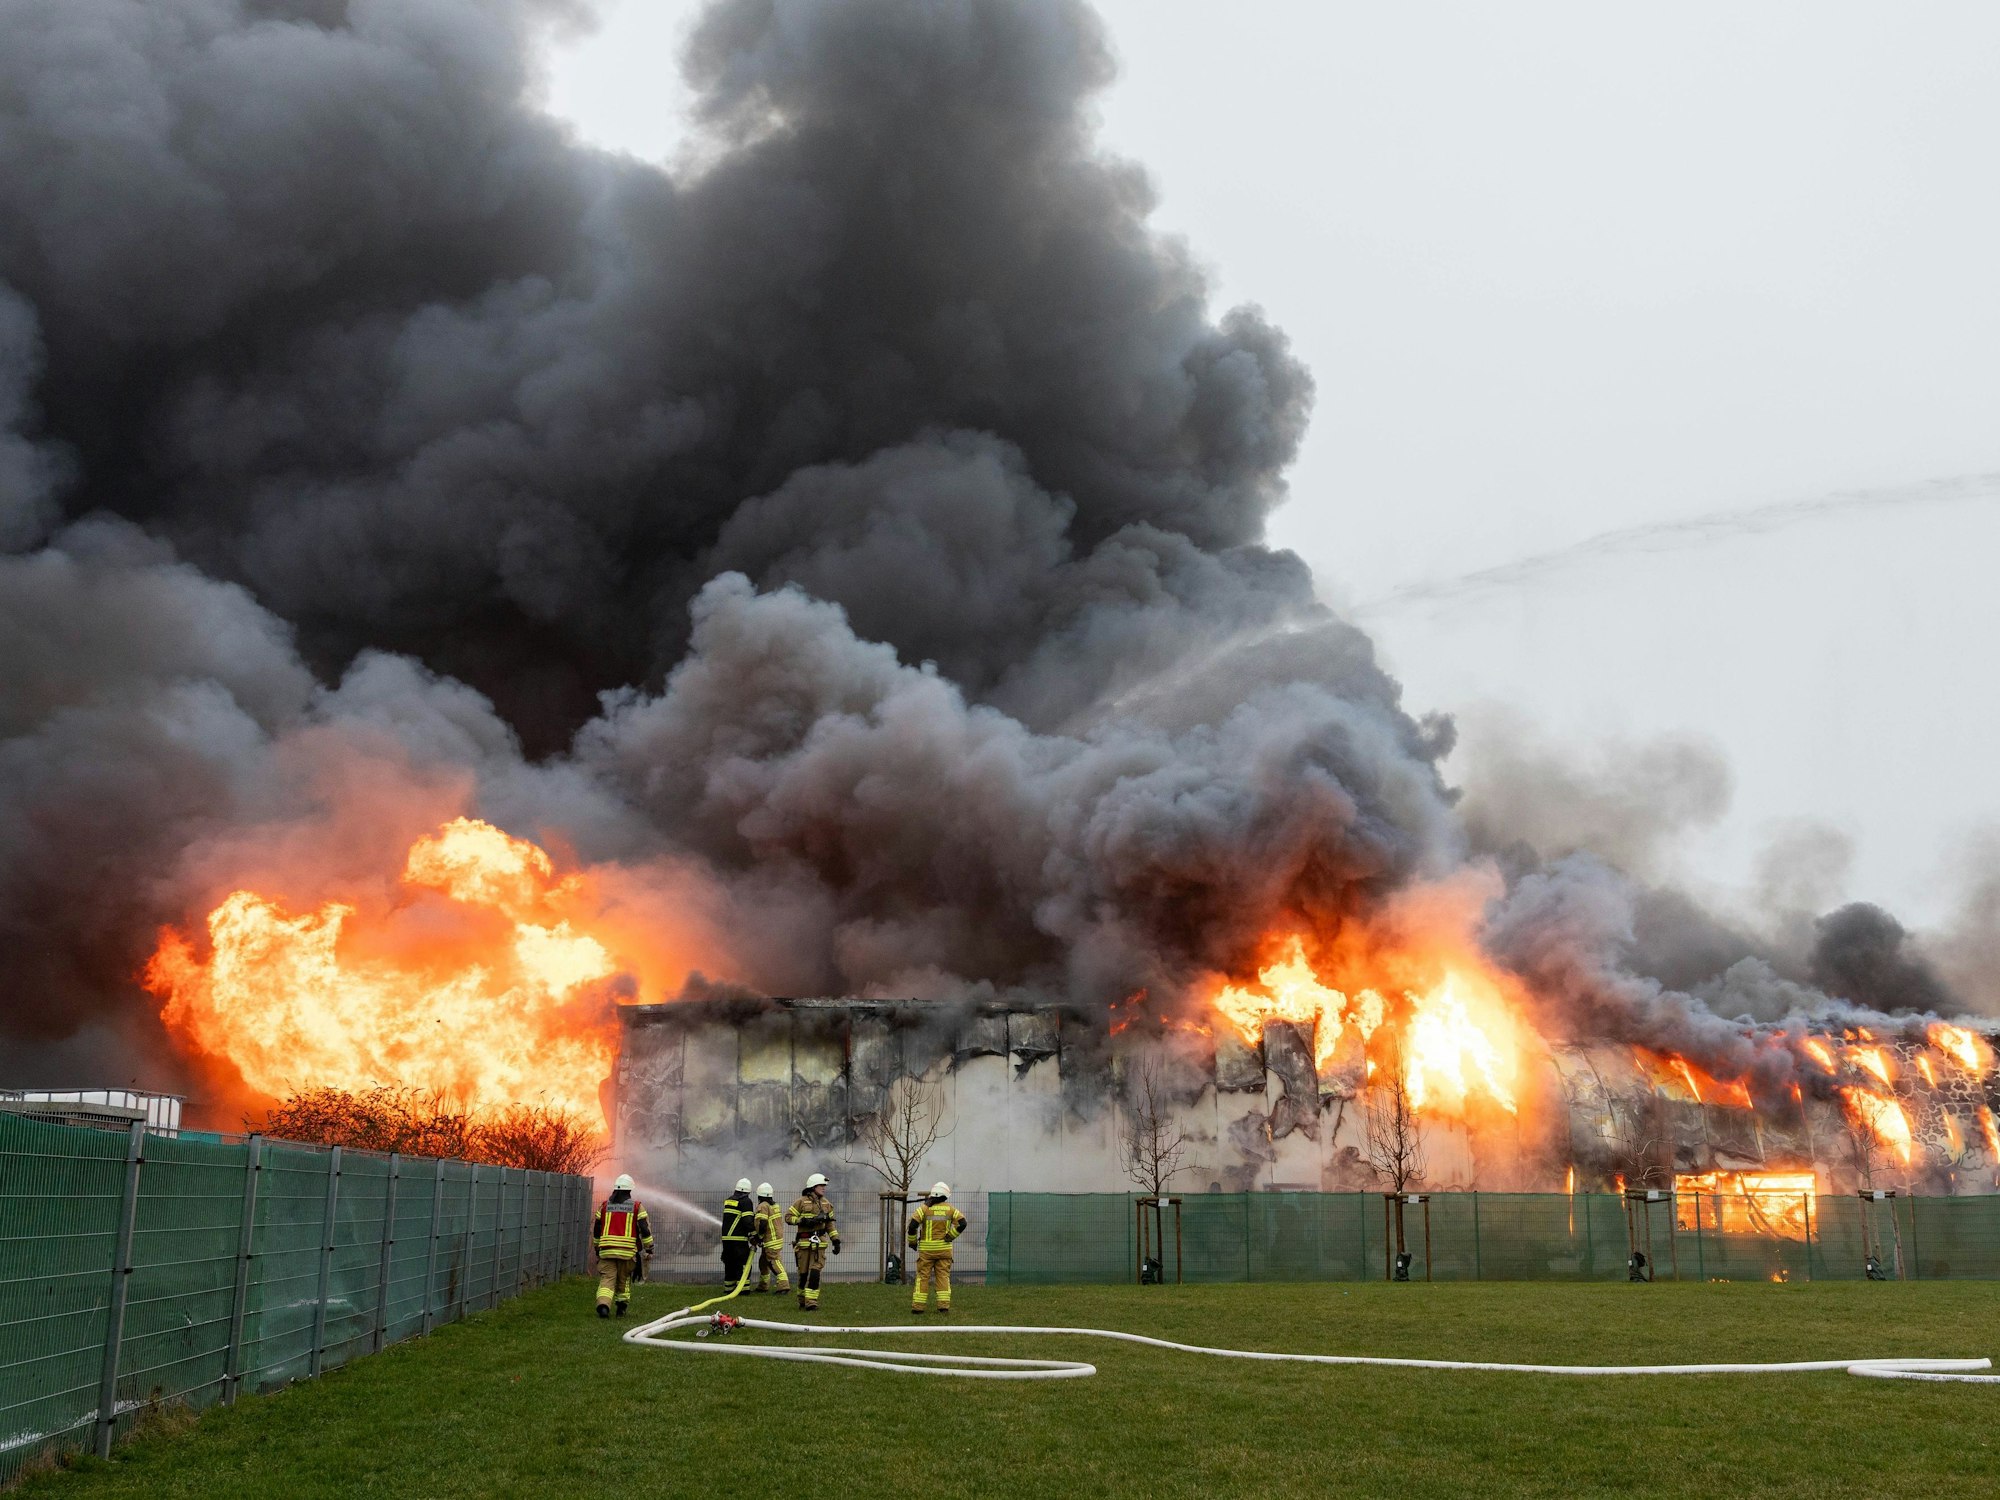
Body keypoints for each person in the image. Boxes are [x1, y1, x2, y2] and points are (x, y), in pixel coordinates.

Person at [591, 1174, 653, 1318]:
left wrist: (596, 1247)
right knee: (623, 1279)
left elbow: (597, 1228)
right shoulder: (637, 1207)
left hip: (606, 1251)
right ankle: (621, 1309)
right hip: (627, 1253)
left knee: (607, 1280)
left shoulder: (605, 1206)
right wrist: (649, 1247)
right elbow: (644, 1229)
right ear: (630, 1190)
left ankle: (603, 1306)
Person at [906, 1181, 967, 1315]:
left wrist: (912, 1243)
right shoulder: (951, 1209)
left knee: (922, 1277)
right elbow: (962, 1224)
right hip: (944, 1251)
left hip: (926, 1252)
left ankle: (918, 1308)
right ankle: (943, 1307)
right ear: (946, 1195)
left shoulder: (923, 1209)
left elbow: (912, 1227)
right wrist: (950, 1236)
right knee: (943, 1277)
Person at [784, 1172, 840, 1311]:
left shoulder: (827, 1205)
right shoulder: (801, 1202)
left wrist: (836, 1239)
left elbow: (830, 1225)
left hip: (819, 1245)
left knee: (815, 1272)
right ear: (813, 1186)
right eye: (821, 1185)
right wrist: (802, 1220)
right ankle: (802, 1299)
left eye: (824, 1185)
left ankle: (812, 1302)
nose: (824, 1188)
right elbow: (788, 1217)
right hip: (803, 1244)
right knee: (803, 1274)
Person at [752, 1183, 789, 1294]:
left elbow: (762, 1224)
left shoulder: (763, 1206)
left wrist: (758, 1237)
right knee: (763, 1262)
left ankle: (784, 1286)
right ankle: (763, 1286)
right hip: (776, 1239)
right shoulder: (774, 1205)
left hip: (770, 1240)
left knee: (774, 1262)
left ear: (759, 1195)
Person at [720, 1177, 758, 1288]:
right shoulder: (746, 1201)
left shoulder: (729, 1200)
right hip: (739, 1240)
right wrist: (754, 1234)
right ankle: (743, 1289)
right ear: (748, 1191)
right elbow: (747, 1221)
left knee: (729, 1263)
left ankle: (729, 1287)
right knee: (742, 1264)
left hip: (726, 1239)